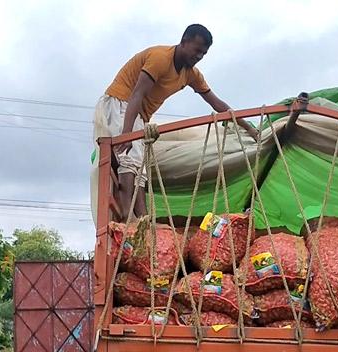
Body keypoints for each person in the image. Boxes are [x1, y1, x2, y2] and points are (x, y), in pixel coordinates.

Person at [91, 24, 259, 222]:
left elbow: (216, 102)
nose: (198, 56)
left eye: (203, 54)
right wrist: (127, 133)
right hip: (122, 102)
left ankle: (144, 217)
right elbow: (137, 94)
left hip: (140, 116)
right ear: (184, 41)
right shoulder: (160, 58)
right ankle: (129, 216)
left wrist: (247, 127)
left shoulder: (191, 74)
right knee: (131, 158)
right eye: (197, 50)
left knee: (142, 166)